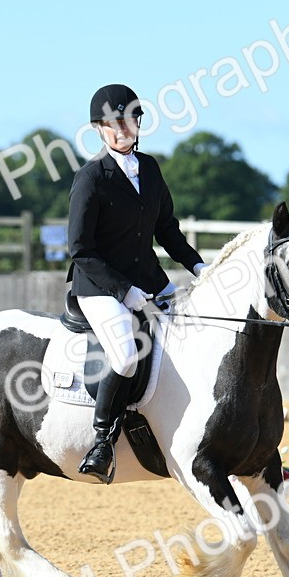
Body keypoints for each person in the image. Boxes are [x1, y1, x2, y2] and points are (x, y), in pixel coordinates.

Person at [67, 83, 206, 483]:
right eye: (113, 123)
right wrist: (123, 291)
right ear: (99, 129)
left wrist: (199, 267)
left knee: (195, 328)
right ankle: (101, 442)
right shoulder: (91, 178)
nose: (123, 128)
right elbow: (80, 249)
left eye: (130, 119)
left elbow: (167, 229)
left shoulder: (150, 168)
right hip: (98, 286)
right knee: (127, 354)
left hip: (148, 279)